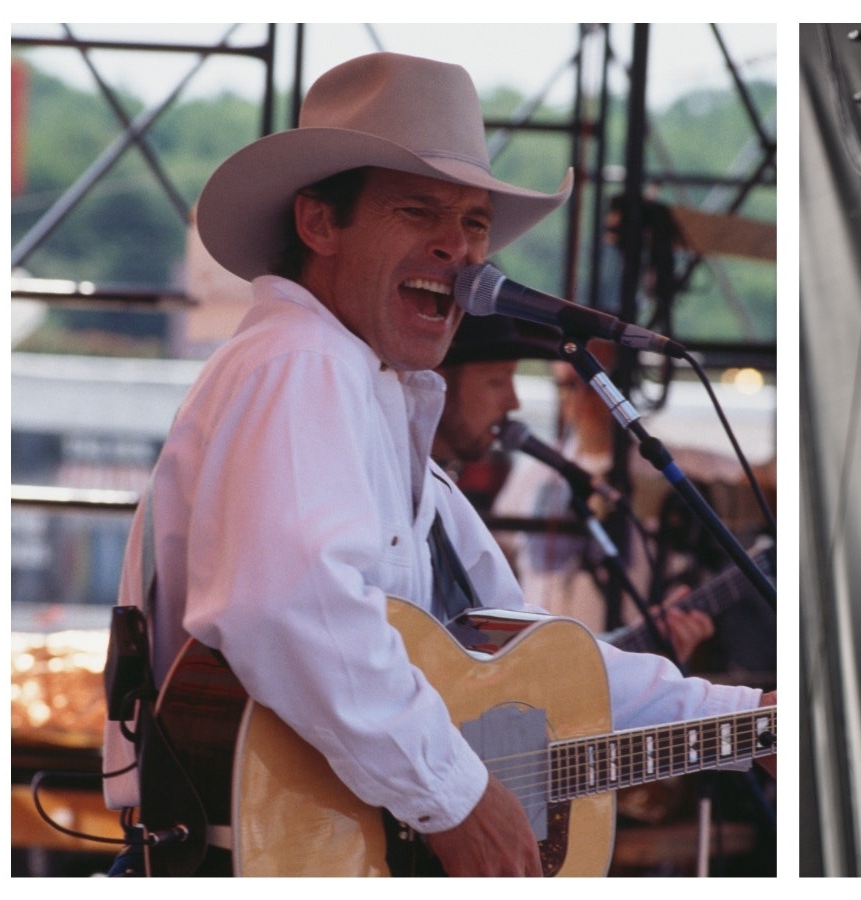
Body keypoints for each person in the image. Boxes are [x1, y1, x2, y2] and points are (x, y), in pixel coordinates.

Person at [102, 51, 772, 877]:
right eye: (418, 212)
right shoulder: (301, 358)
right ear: (319, 223)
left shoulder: (380, 414)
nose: (458, 251)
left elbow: (543, 672)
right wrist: (453, 798)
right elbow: (288, 605)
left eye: (476, 225)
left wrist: (744, 719)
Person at [432, 316, 715, 663]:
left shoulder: (671, 465)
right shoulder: (531, 473)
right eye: (568, 386)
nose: (514, 402)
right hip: (546, 662)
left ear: (622, 386)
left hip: (568, 660)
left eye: (592, 382)